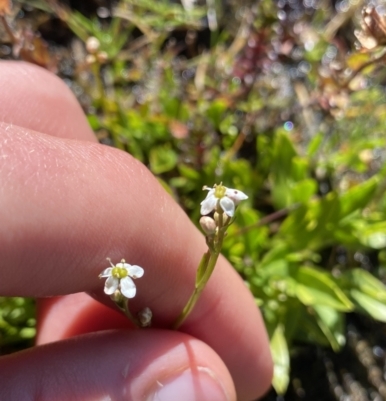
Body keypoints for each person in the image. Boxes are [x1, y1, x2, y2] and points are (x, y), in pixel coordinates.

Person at [0, 61, 273, 401]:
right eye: (218, 193)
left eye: (221, 193)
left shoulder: (218, 213)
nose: (219, 193)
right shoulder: (124, 276)